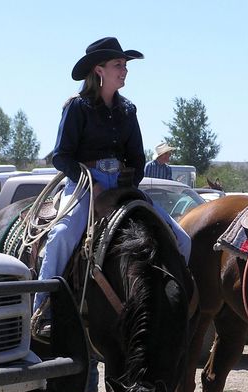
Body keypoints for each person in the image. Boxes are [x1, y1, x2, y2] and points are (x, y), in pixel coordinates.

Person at [31, 37, 192, 338]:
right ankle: (43, 310)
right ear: (99, 69)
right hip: (83, 186)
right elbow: (61, 156)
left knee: (182, 240)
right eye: (118, 65)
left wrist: (128, 182)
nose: (124, 70)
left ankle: (175, 307)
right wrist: (87, 180)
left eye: (125, 65)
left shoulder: (128, 110)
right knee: (62, 236)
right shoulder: (77, 108)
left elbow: (137, 158)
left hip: (121, 186)